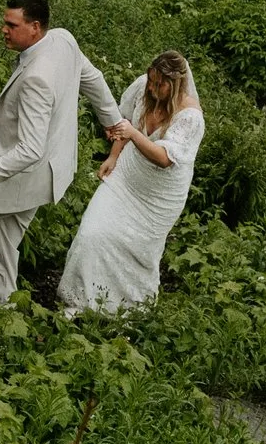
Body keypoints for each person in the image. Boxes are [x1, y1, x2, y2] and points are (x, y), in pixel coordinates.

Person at [0, 0, 122, 305]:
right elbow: (93, 78)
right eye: (4, 22)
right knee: (4, 244)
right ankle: (2, 312)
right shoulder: (63, 40)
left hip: (18, 181)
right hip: (45, 179)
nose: (3, 30)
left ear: (35, 27)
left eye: (12, 24)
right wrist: (115, 123)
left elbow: (29, 150)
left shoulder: (36, 77)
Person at [59, 50, 204, 313]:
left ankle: (126, 309)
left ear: (176, 85)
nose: (151, 87)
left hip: (158, 197)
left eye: (159, 84)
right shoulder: (144, 89)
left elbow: (164, 158)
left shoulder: (191, 117)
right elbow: (126, 123)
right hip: (127, 176)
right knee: (91, 233)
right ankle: (78, 301)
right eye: (151, 80)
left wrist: (134, 135)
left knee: (135, 249)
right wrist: (113, 156)